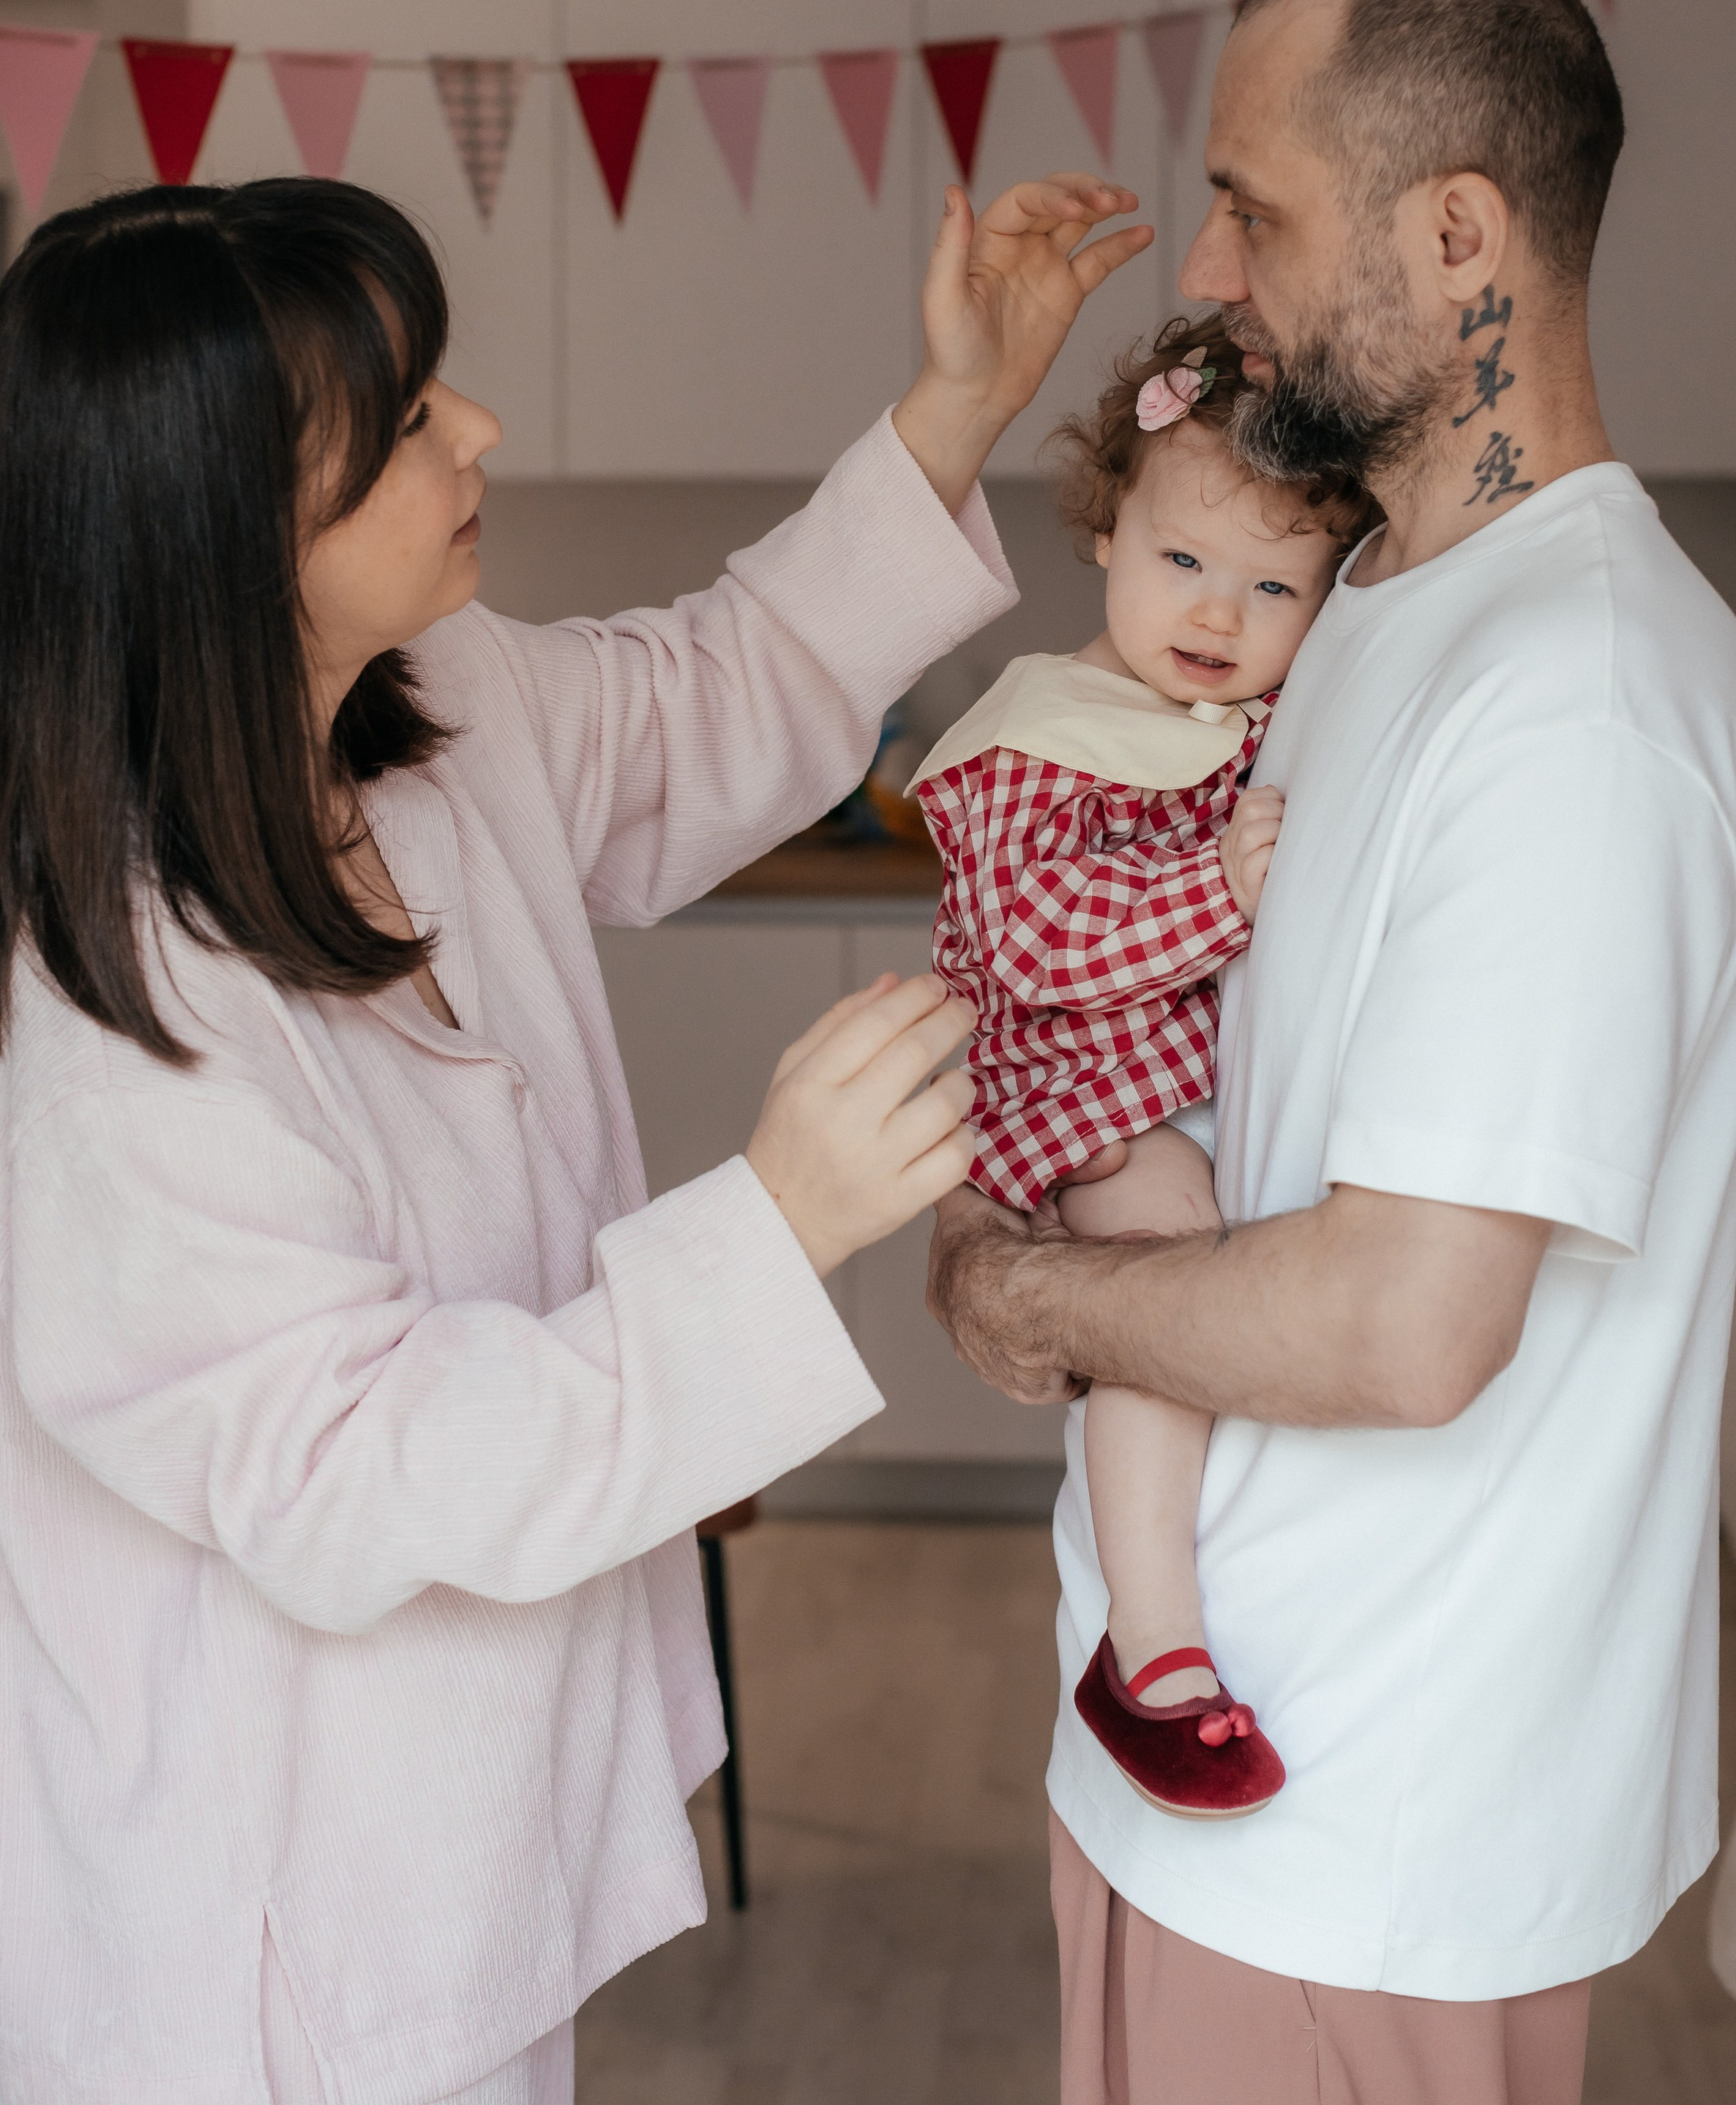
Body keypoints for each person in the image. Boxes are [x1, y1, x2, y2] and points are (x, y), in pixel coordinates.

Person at [0, 162, 1148, 2105]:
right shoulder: (113, 1022)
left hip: (447, 1825)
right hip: (249, 1918)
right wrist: (771, 1225)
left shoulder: (430, 703)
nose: (480, 429)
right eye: (404, 421)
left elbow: (717, 689)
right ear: (226, 534)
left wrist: (962, 399)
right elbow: (367, 1468)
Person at [928, 0, 1736, 2105]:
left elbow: (1411, 1322)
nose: (1208, 267)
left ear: (1461, 236)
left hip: (1349, 1834)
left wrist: (1034, 1296)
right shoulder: (1375, 604)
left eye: (1257, 204)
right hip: (1211, 1778)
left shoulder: (1579, 695)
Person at [909, 315, 1369, 1818]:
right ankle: (1149, 1643)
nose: (1217, 613)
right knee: (1161, 1278)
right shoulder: (1039, 733)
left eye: (1271, 586)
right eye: (1181, 561)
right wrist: (1218, 892)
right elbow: (1038, 936)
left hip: (1175, 1084)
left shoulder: (1228, 723)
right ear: (1106, 527)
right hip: (1077, 1101)